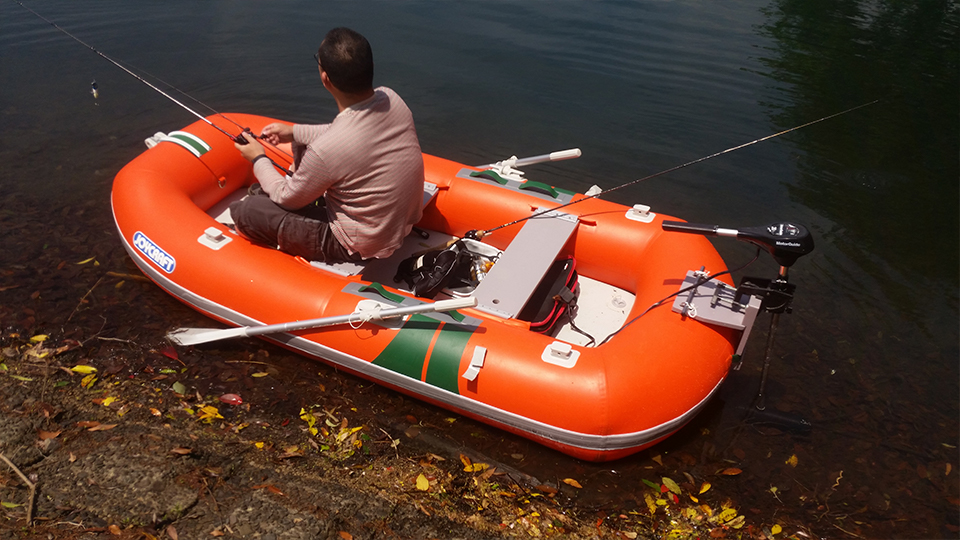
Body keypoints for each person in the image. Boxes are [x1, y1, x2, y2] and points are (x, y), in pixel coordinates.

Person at [231, 27, 425, 263]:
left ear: (325, 79)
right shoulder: (391, 98)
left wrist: (257, 157)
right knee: (300, 147)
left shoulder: (326, 150)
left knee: (247, 211)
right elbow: (351, 139)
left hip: (359, 244)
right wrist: (293, 132)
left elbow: (285, 197)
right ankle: (308, 196)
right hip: (397, 225)